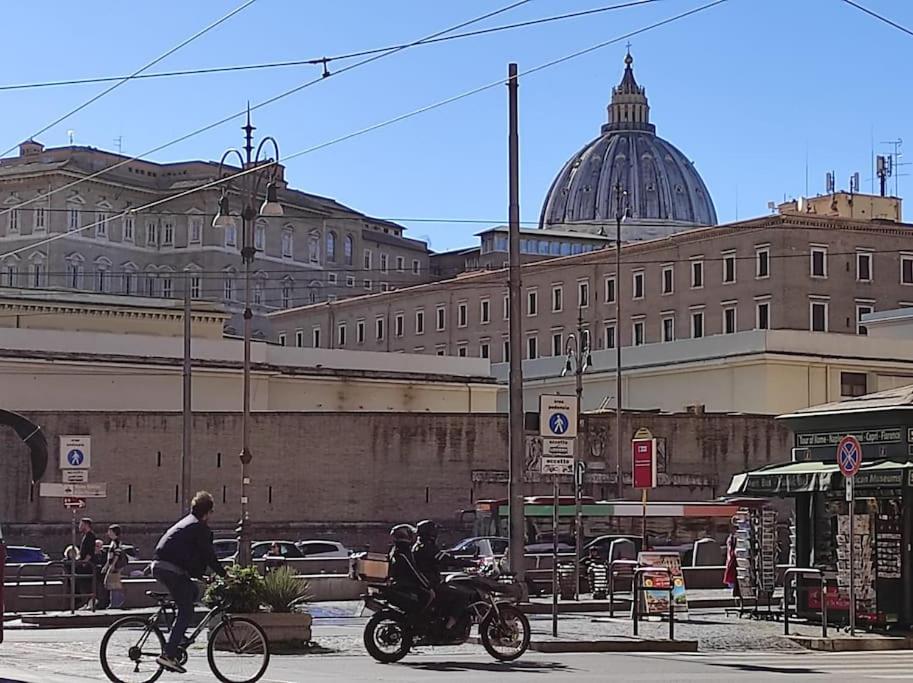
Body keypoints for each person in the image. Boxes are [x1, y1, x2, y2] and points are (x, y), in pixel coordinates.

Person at [151, 491, 226, 674]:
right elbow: (208, 555)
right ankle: (168, 654)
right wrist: (225, 575)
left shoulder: (188, 522)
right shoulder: (198, 527)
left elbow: (186, 556)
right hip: (169, 569)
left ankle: (177, 636)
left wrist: (202, 577)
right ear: (207, 513)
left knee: (192, 592)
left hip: (161, 565)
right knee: (187, 609)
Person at [412, 520, 474, 632]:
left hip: (427, 582)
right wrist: (470, 563)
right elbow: (445, 559)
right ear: (430, 533)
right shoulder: (427, 547)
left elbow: (442, 558)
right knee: (463, 595)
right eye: (434, 531)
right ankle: (449, 626)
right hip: (430, 583)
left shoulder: (420, 546)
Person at [387, 524, 432, 615]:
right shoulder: (404, 552)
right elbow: (414, 571)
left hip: (397, 582)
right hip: (405, 584)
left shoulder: (395, 550)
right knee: (430, 595)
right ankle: (418, 621)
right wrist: (428, 585)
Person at [103, 524, 127, 609]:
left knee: (113, 584)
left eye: (110, 531)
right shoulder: (113, 542)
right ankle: (115, 602)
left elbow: (117, 554)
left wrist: (112, 565)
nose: (108, 533)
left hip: (115, 566)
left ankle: (116, 602)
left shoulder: (116, 542)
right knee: (111, 584)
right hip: (112, 565)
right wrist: (106, 565)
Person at [76, 518, 97, 609]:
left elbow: (90, 551)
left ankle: (92, 601)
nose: (79, 527)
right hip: (83, 563)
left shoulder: (90, 536)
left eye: (81, 524)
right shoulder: (85, 536)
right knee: (83, 583)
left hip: (87, 565)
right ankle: (87, 601)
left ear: (86, 525)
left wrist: (85, 561)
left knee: (87, 583)